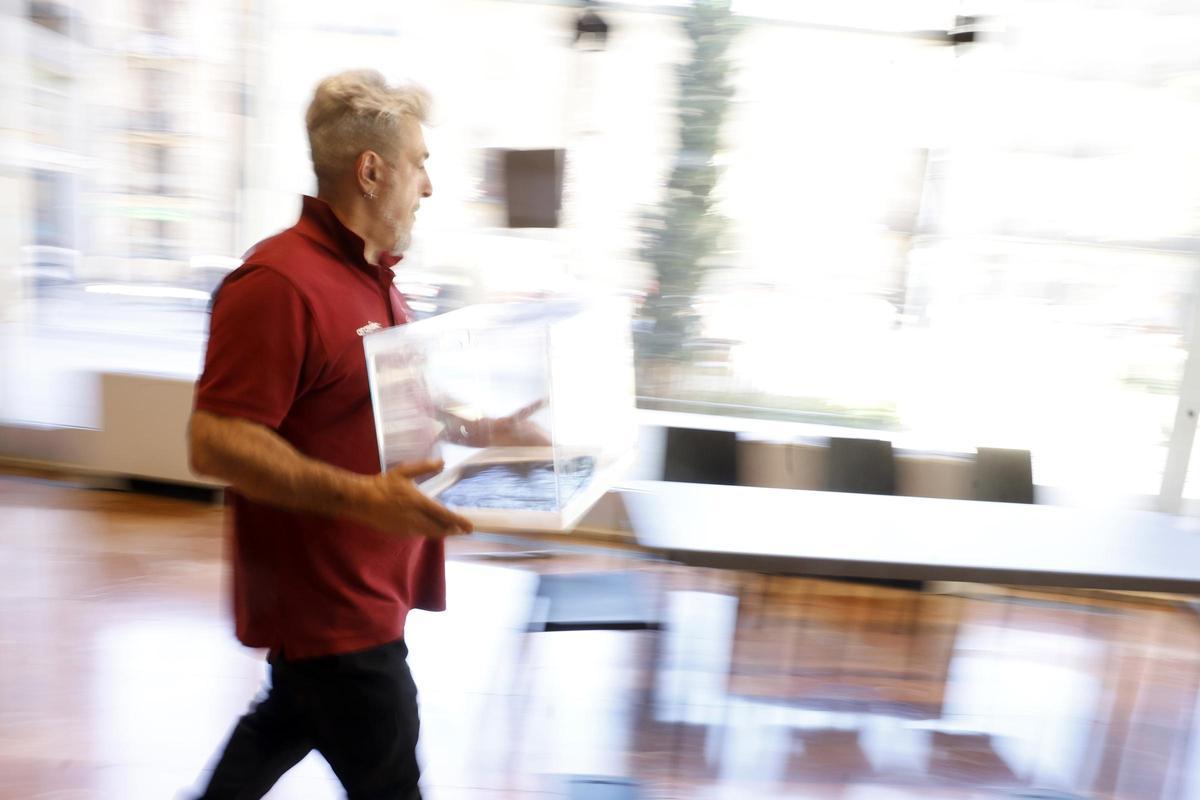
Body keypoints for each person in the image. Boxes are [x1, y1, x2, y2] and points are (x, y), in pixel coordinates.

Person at [187, 69, 490, 800]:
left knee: (282, 724)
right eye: (420, 164)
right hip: (334, 607)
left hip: (364, 589)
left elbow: (371, 385)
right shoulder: (278, 284)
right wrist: (363, 499)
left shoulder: (372, 277)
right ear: (372, 169)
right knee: (388, 778)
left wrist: (478, 424)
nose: (427, 187)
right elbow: (217, 441)